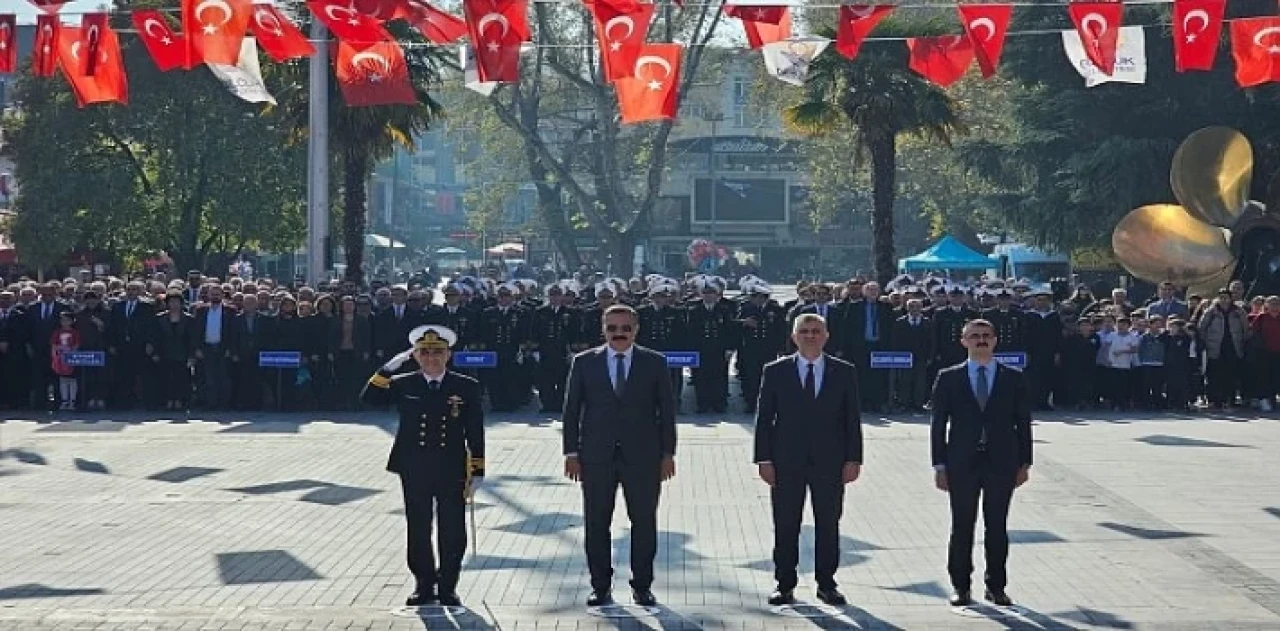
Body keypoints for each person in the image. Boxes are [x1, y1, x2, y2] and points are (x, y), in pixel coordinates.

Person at [561, 304, 677, 607]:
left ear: (636, 329)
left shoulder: (654, 362)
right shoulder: (585, 362)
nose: (619, 334)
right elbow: (572, 410)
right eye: (612, 328)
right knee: (597, 523)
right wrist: (571, 452)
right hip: (596, 456)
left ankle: (642, 586)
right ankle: (600, 586)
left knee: (644, 522)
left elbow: (667, 412)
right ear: (603, 329)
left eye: (625, 328)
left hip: (643, 457)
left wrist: (668, 454)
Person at [361, 324, 485, 608]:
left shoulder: (466, 386)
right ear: (415, 355)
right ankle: (423, 583)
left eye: (437, 352)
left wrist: (477, 469)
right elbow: (368, 399)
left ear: (448, 354)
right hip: (413, 464)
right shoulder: (404, 383)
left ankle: (448, 585)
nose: (431, 358)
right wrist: (389, 367)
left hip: (451, 465)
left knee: (452, 528)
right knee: (418, 526)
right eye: (424, 352)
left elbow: (475, 430)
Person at [752, 313, 863, 607]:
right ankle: (784, 583)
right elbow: (764, 418)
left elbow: (852, 418)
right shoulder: (775, 371)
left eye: (816, 331)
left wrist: (854, 458)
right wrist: (763, 458)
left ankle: (827, 583)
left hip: (831, 461)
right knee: (786, 523)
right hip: (786, 460)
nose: (810, 336)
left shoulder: (843, 371)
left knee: (828, 523)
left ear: (826, 336)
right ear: (793, 336)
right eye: (804, 331)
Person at [931, 319, 1033, 608]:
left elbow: (1023, 422)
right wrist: (939, 465)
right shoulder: (949, 377)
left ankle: (996, 586)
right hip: (961, 462)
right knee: (962, 526)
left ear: (995, 340)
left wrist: (1025, 462)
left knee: (997, 526)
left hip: (1002, 461)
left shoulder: (1013, 377)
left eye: (986, 336)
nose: (981, 340)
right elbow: (938, 425)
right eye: (974, 336)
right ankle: (961, 586)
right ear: (963, 341)